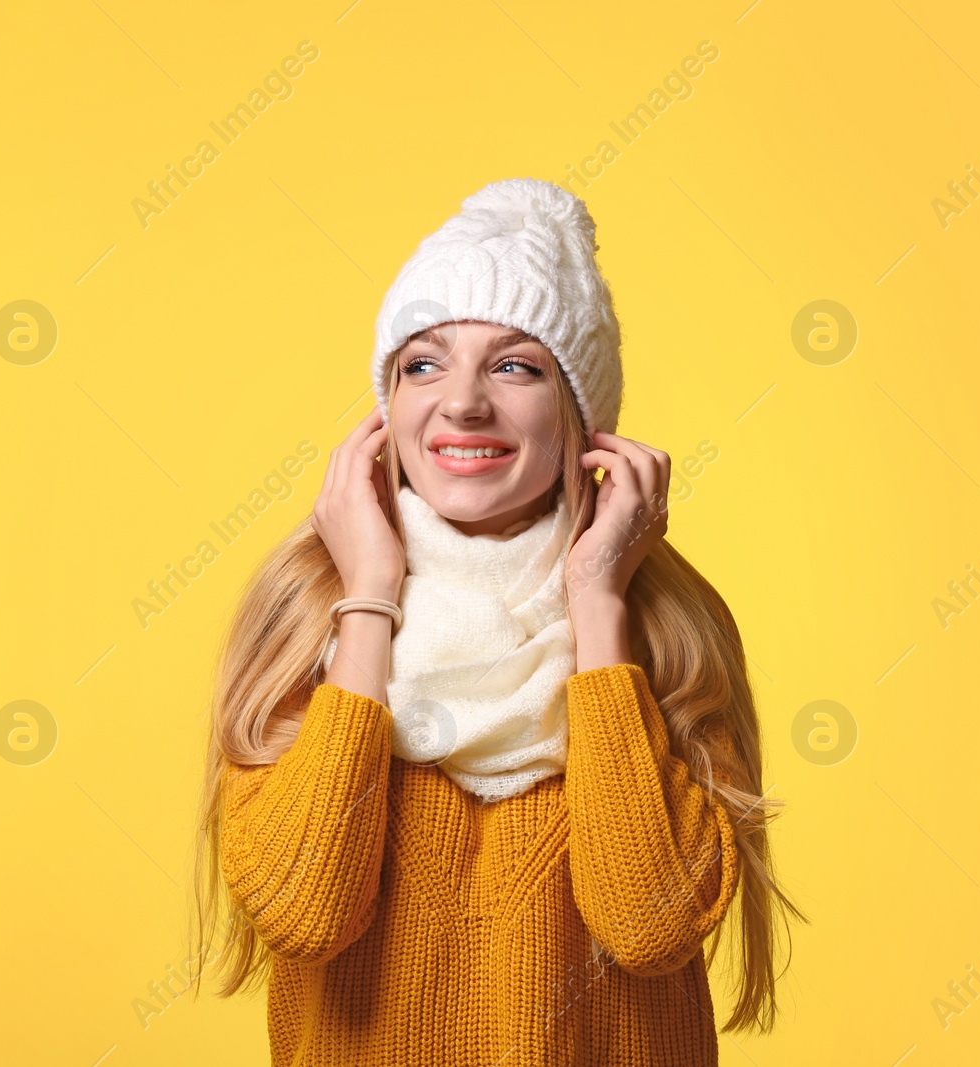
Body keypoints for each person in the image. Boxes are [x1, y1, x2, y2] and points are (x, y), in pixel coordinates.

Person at [188, 178, 806, 1065]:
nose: (463, 403)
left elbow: (647, 922)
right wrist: (370, 593)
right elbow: (304, 905)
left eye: (515, 365)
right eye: (423, 363)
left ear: (583, 416)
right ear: (386, 406)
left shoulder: (669, 628)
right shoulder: (305, 612)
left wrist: (597, 603)